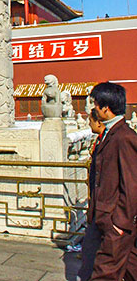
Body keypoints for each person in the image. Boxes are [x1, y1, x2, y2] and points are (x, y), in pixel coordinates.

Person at [86, 82, 137, 281]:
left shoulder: (124, 137)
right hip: (107, 219)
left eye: (96, 105)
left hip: (116, 223)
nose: (94, 109)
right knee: (131, 268)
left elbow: (132, 185)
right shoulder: (109, 134)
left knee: (104, 273)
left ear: (106, 108)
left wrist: (120, 223)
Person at [77, 109, 105, 281]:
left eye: (91, 120)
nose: (88, 123)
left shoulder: (119, 139)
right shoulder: (101, 140)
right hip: (97, 205)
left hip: (107, 209)